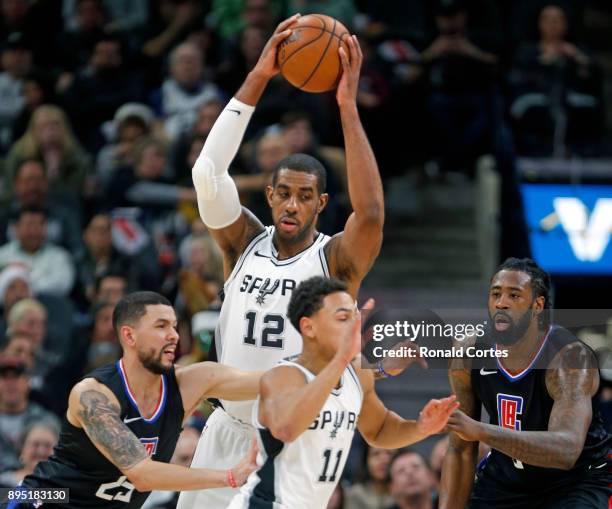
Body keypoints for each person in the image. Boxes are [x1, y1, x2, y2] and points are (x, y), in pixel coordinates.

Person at [179, 13, 386, 509]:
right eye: (284, 194)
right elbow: (208, 173)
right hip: (223, 428)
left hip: (285, 438)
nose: (293, 205)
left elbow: (372, 213)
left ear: (321, 202)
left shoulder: (334, 259)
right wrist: (259, 76)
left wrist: (346, 107)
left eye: (305, 196)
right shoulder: (242, 240)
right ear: (269, 195)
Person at [13, 291, 263, 508]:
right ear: (129, 336)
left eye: (174, 326)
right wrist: (229, 476)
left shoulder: (191, 383)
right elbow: (142, 475)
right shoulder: (92, 395)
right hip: (46, 497)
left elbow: (268, 383)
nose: (174, 335)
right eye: (161, 326)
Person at [227, 276, 457, 508]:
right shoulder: (282, 376)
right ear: (309, 327)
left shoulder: (356, 374)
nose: (353, 327)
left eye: (354, 318)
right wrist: (341, 359)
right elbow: (287, 428)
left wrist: (420, 428)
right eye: (342, 318)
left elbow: (380, 429)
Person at [439, 258, 612, 509]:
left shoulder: (568, 358)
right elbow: (460, 450)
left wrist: (481, 431)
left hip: (577, 480)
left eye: (514, 295)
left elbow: (566, 450)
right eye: (495, 294)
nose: (501, 303)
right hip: (508, 481)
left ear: (537, 305)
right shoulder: (468, 353)